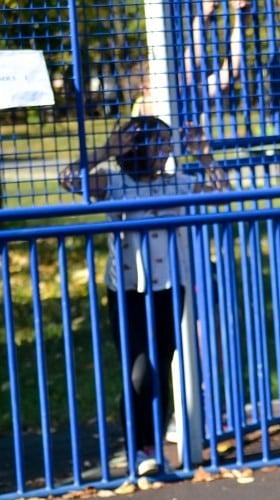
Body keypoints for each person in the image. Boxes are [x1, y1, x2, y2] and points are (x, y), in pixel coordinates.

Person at [58, 116, 230, 477]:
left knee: (162, 364)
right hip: (127, 289)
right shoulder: (115, 182)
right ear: (137, 148)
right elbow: (69, 179)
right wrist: (106, 150)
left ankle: (152, 449)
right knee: (140, 371)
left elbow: (223, 193)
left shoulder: (177, 183)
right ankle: (138, 445)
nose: (166, 150)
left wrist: (204, 156)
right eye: (158, 143)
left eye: (168, 142)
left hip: (170, 285)